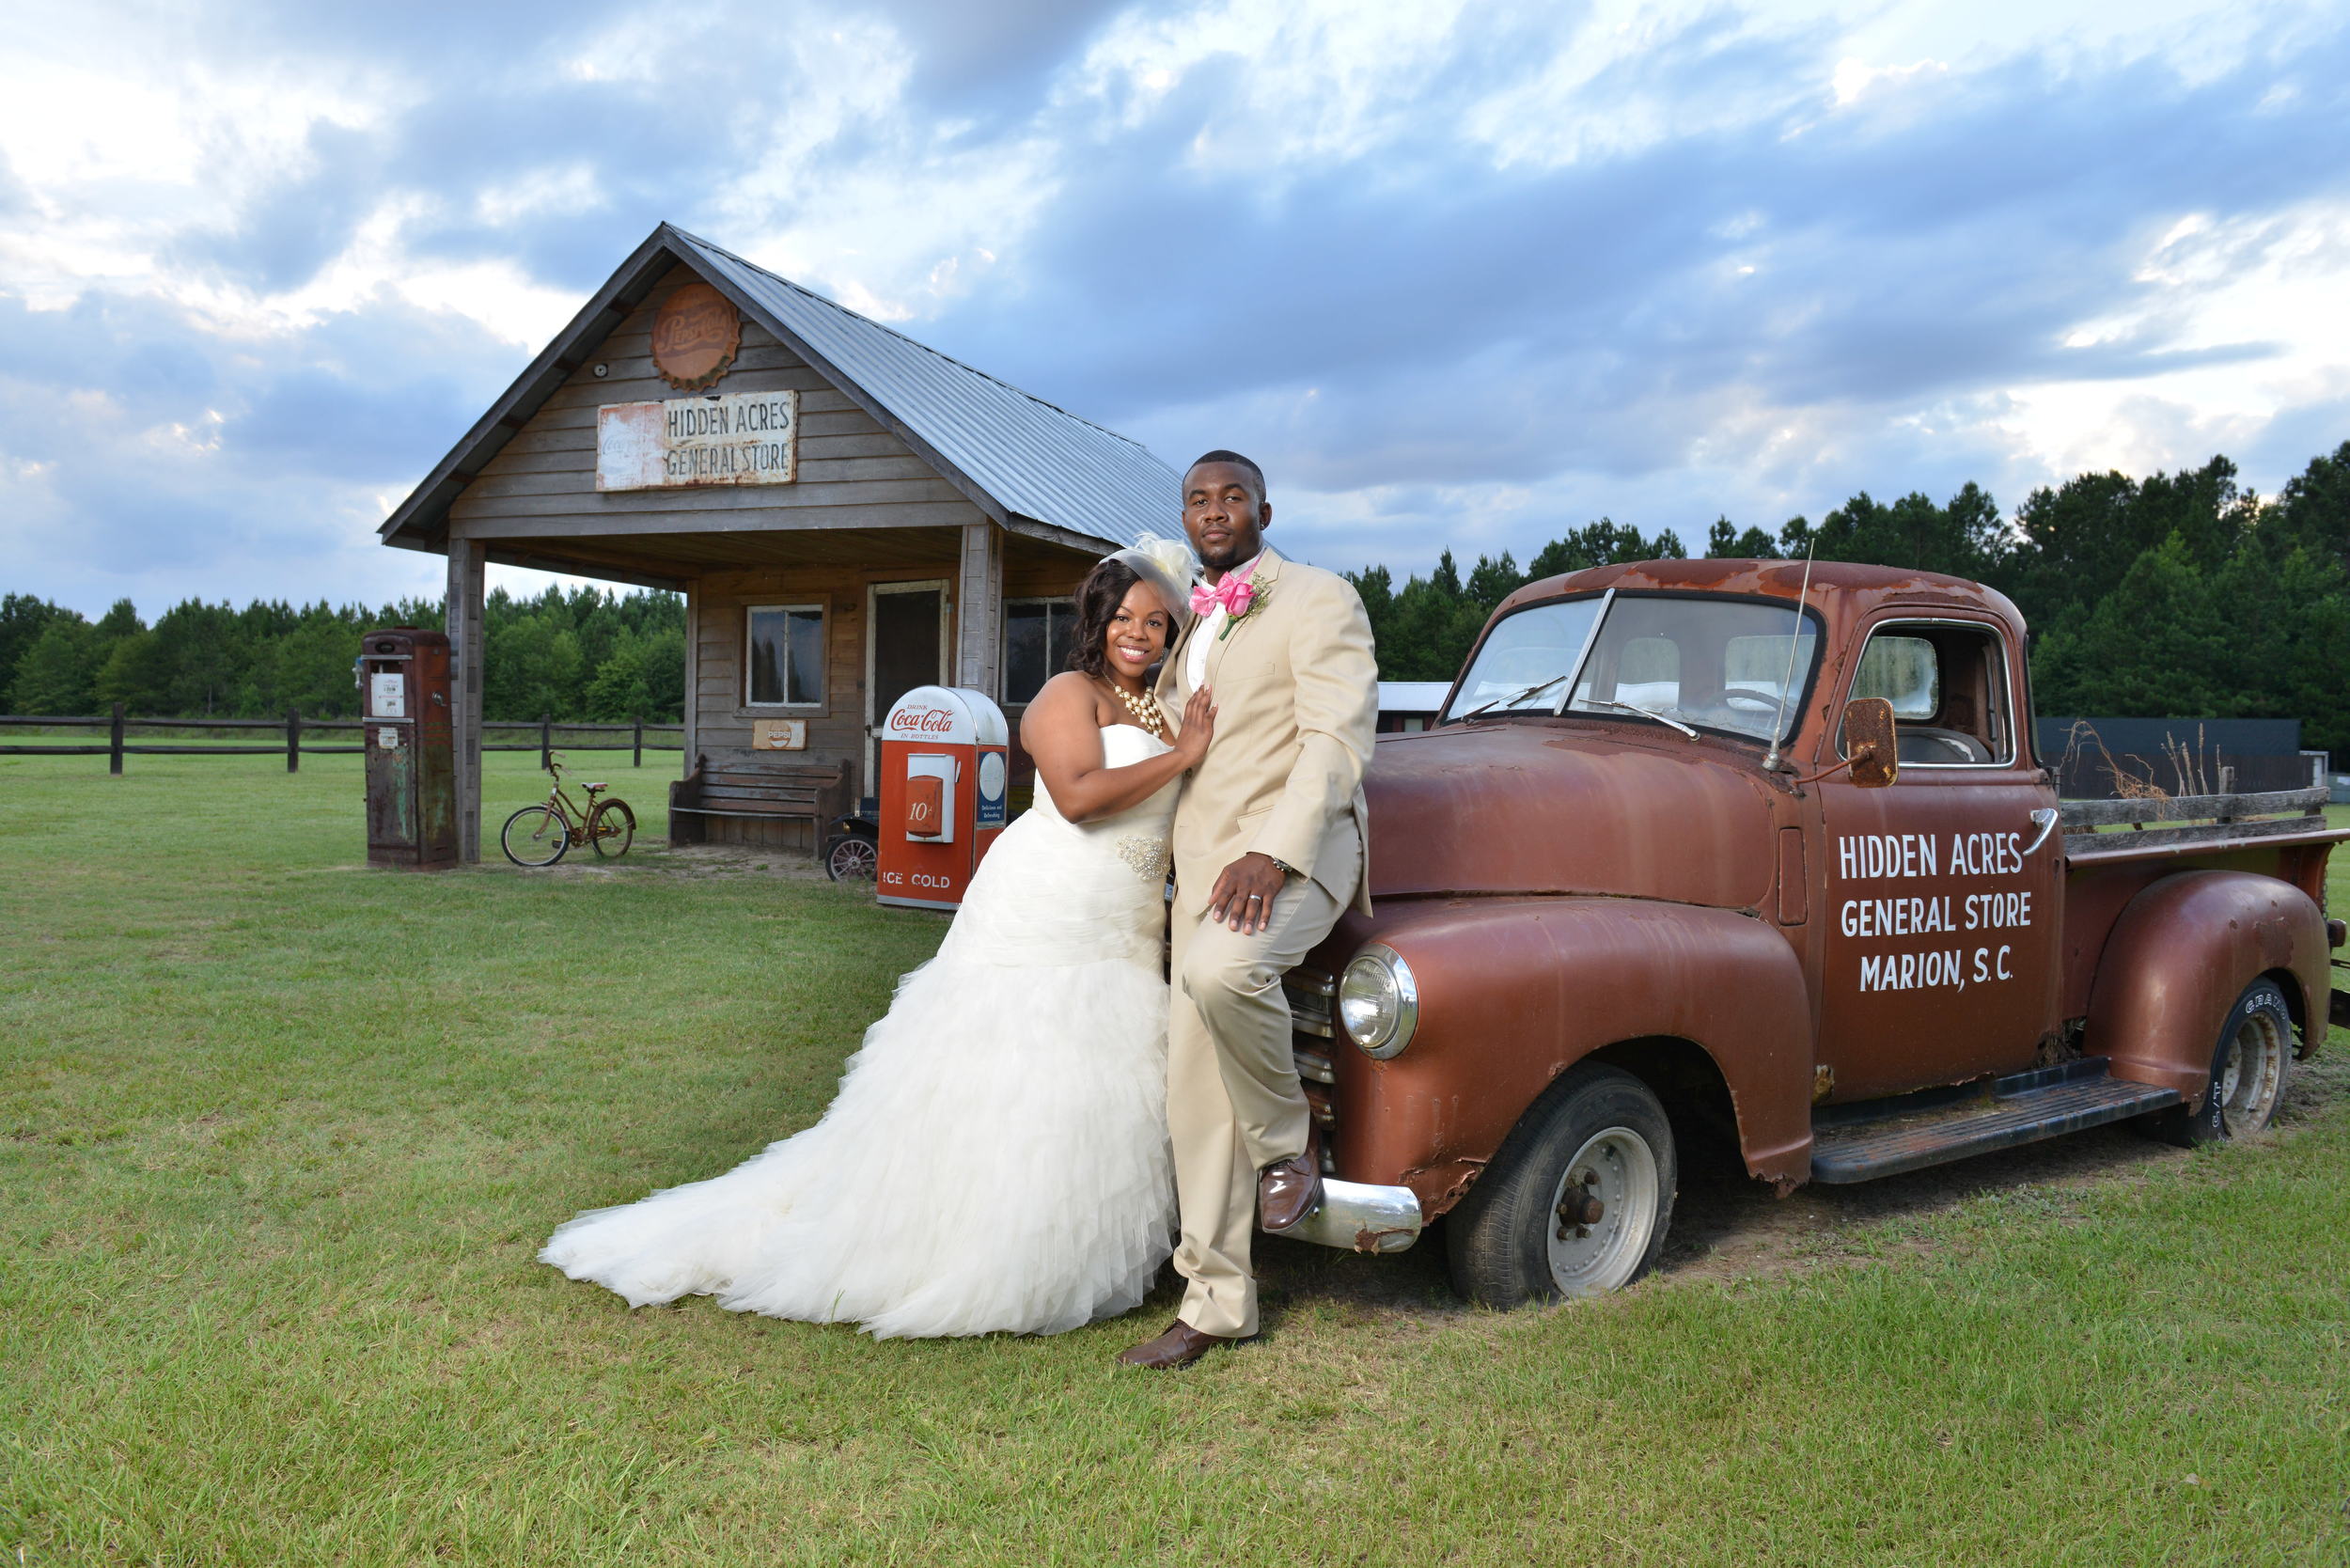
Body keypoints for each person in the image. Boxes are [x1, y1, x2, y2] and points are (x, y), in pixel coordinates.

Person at [540, 540, 1213, 1339]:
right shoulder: (1070, 694)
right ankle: (979, 1246)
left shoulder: (1163, 707)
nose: (1139, 634)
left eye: (1157, 622)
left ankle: (1076, 1242)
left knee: (1106, 1076)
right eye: (1125, 618)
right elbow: (1076, 796)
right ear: (1098, 622)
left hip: (1125, 920)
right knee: (1027, 1064)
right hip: (1051, 907)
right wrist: (1183, 755)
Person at [1119, 450, 1379, 1371]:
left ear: (1264, 507)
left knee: (1227, 972)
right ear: (1183, 515)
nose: (1214, 510)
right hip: (1197, 875)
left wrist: (1275, 851)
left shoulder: (1317, 598)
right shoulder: (1187, 613)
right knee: (1194, 1099)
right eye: (1198, 498)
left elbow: (1335, 740)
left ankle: (1288, 1146)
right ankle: (1214, 1302)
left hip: (1289, 859)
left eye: (1232, 496)